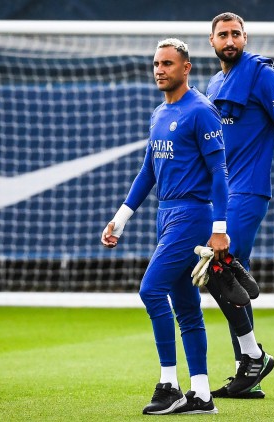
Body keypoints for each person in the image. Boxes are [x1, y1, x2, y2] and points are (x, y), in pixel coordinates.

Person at [101, 38, 229, 415]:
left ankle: (170, 384)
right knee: (187, 307)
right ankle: (202, 394)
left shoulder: (202, 111)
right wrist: (121, 219)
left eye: (168, 64)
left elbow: (220, 174)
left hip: (192, 215)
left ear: (186, 68)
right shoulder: (158, 113)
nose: (160, 69)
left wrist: (219, 227)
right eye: (157, 63)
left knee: (150, 290)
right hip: (166, 214)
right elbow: (148, 172)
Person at [205, 12, 274, 399]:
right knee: (224, 274)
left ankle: (253, 356)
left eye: (236, 33)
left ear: (245, 38)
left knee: (215, 267)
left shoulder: (263, 75)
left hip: (249, 192)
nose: (230, 40)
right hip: (221, 196)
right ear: (212, 42)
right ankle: (246, 371)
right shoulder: (215, 82)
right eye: (223, 35)